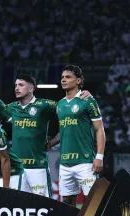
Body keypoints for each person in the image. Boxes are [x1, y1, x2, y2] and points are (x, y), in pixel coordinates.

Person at [8, 73, 94, 197]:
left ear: (31, 88)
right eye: (16, 85)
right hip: (17, 168)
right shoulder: (11, 108)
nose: (17, 88)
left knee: (43, 207)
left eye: (21, 85)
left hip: (38, 167)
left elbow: (68, 111)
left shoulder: (44, 105)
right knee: (16, 206)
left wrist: (83, 96)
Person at [57, 65, 105, 206]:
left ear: (78, 80)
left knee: (93, 204)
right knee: (67, 203)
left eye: (68, 77)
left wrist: (99, 157)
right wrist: (50, 143)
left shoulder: (88, 101)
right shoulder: (60, 105)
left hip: (85, 163)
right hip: (65, 163)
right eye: (62, 77)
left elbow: (100, 129)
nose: (63, 80)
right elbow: (64, 131)